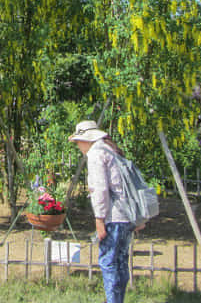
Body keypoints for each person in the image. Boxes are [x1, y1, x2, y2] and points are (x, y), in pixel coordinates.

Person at [70, 120, 142, 303]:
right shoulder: (111, 150)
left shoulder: (96, 154)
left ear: (87, 140)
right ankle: (118, 299)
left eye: (78, 141)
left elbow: (100, 190)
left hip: (114, 217)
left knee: (108, 262)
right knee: (120, 262)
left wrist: (99, 220)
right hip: (127, 216)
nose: (77, 146)